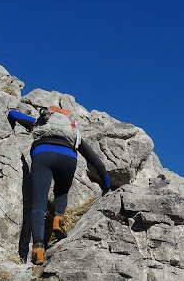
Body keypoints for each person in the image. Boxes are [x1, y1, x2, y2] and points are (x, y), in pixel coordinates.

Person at [8, 107, 111, 265]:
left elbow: (13, 114)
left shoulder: (39, 123)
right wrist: (106, 186)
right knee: (61, 192)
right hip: (68, 158)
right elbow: (97, 162)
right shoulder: (73, 132)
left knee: (38, 205)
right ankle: (58, 220)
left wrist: (11, 123)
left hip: (43, 154)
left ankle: (38, 249)